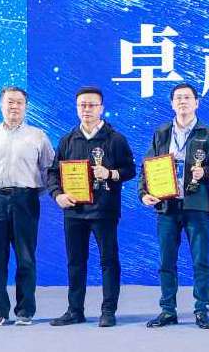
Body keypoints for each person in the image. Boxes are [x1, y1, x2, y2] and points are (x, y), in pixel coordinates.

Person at [139, 83, 209, 329]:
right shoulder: (161, 133)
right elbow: (147, 166)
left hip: (196, 205)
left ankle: (201, 310)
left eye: (187, 98)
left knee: (200, 260)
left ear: (196, 103)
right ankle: (168, 310)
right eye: (178, 98)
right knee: (166, 261)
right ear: (172, 104)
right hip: (167, 206)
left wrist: (205, 172)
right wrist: (143, 193)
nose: (182, 102)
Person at [47, 86, 136, 327]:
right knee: (75, 262)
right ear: (77, 108)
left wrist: (111, 173)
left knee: (108, 261)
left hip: (104, 211)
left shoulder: (115, 139)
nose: (87, 109)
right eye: (82, 105)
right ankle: (75, 310)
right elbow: (53, 173)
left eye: (92, 105)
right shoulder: (67, 140)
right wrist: (57, 195)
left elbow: (130, 170)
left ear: (101, 108)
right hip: (74, 211)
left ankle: (108, 310)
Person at [0, 86, 55, 326]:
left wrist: (32, 193)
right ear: (1, 105)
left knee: (26, 257)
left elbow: (50, 170)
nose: (14, 106)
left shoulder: (38, 136)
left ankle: (25, 311)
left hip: (25, 200)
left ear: (26, 107)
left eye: (19, 102)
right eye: (9, 102)